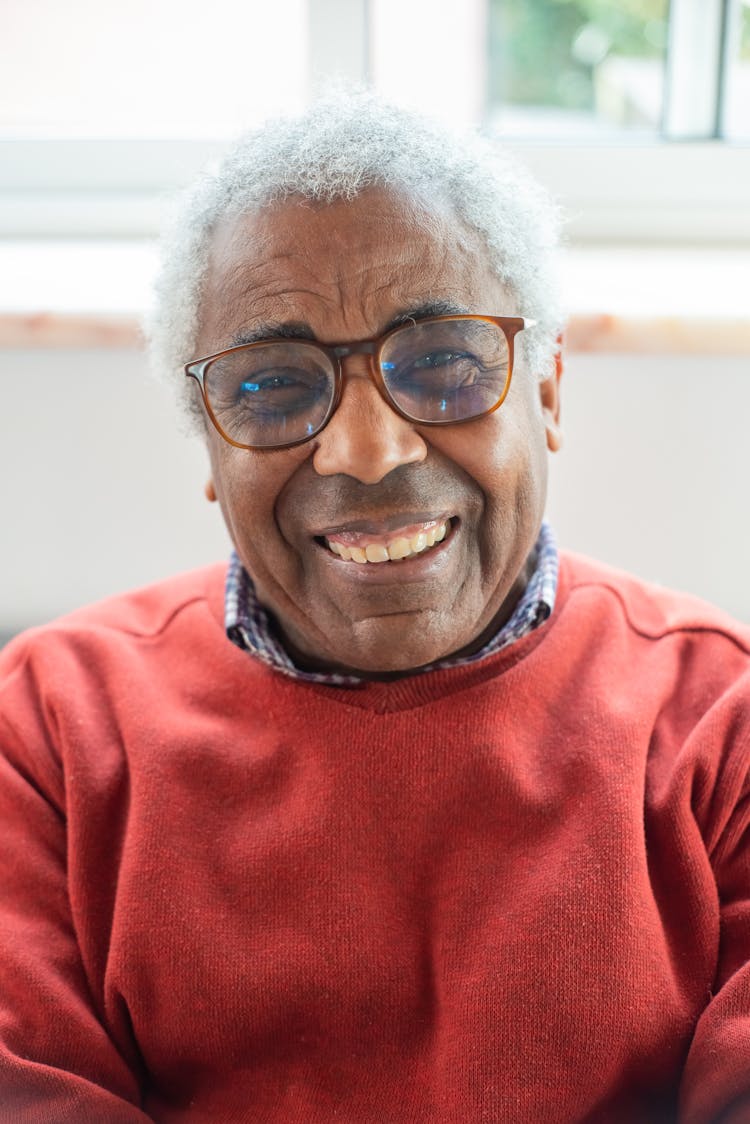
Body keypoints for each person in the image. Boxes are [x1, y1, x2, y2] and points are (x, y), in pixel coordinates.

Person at [1, 92, 748, 1124]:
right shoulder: (43, 728)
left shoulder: (725, 718)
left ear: (549, 393)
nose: (368, 450)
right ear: (211, 452)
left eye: (442, 361)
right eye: (270, 385)